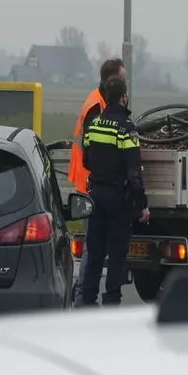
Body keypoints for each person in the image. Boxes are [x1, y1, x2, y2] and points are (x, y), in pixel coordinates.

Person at [75, 75, 149, 307]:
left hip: (95, 196)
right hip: (118, 200)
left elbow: (86, 160)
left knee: (95, 252)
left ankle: (87, 300)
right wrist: (142, 205)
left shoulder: (94, 124)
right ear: (124, 97)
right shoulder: (126, 129)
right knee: (117, 255)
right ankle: (111, 302)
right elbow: (133, 173)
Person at [68, 58, 127, 297]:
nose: (126, 84)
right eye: (123, 78)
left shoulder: (100, 100)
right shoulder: (96, 105)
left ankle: (85, 290)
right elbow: (96, 148)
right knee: (94, 246)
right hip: (90, 182)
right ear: (112, 79)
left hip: (94, 182)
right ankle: (83, 291)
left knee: (95, 244)